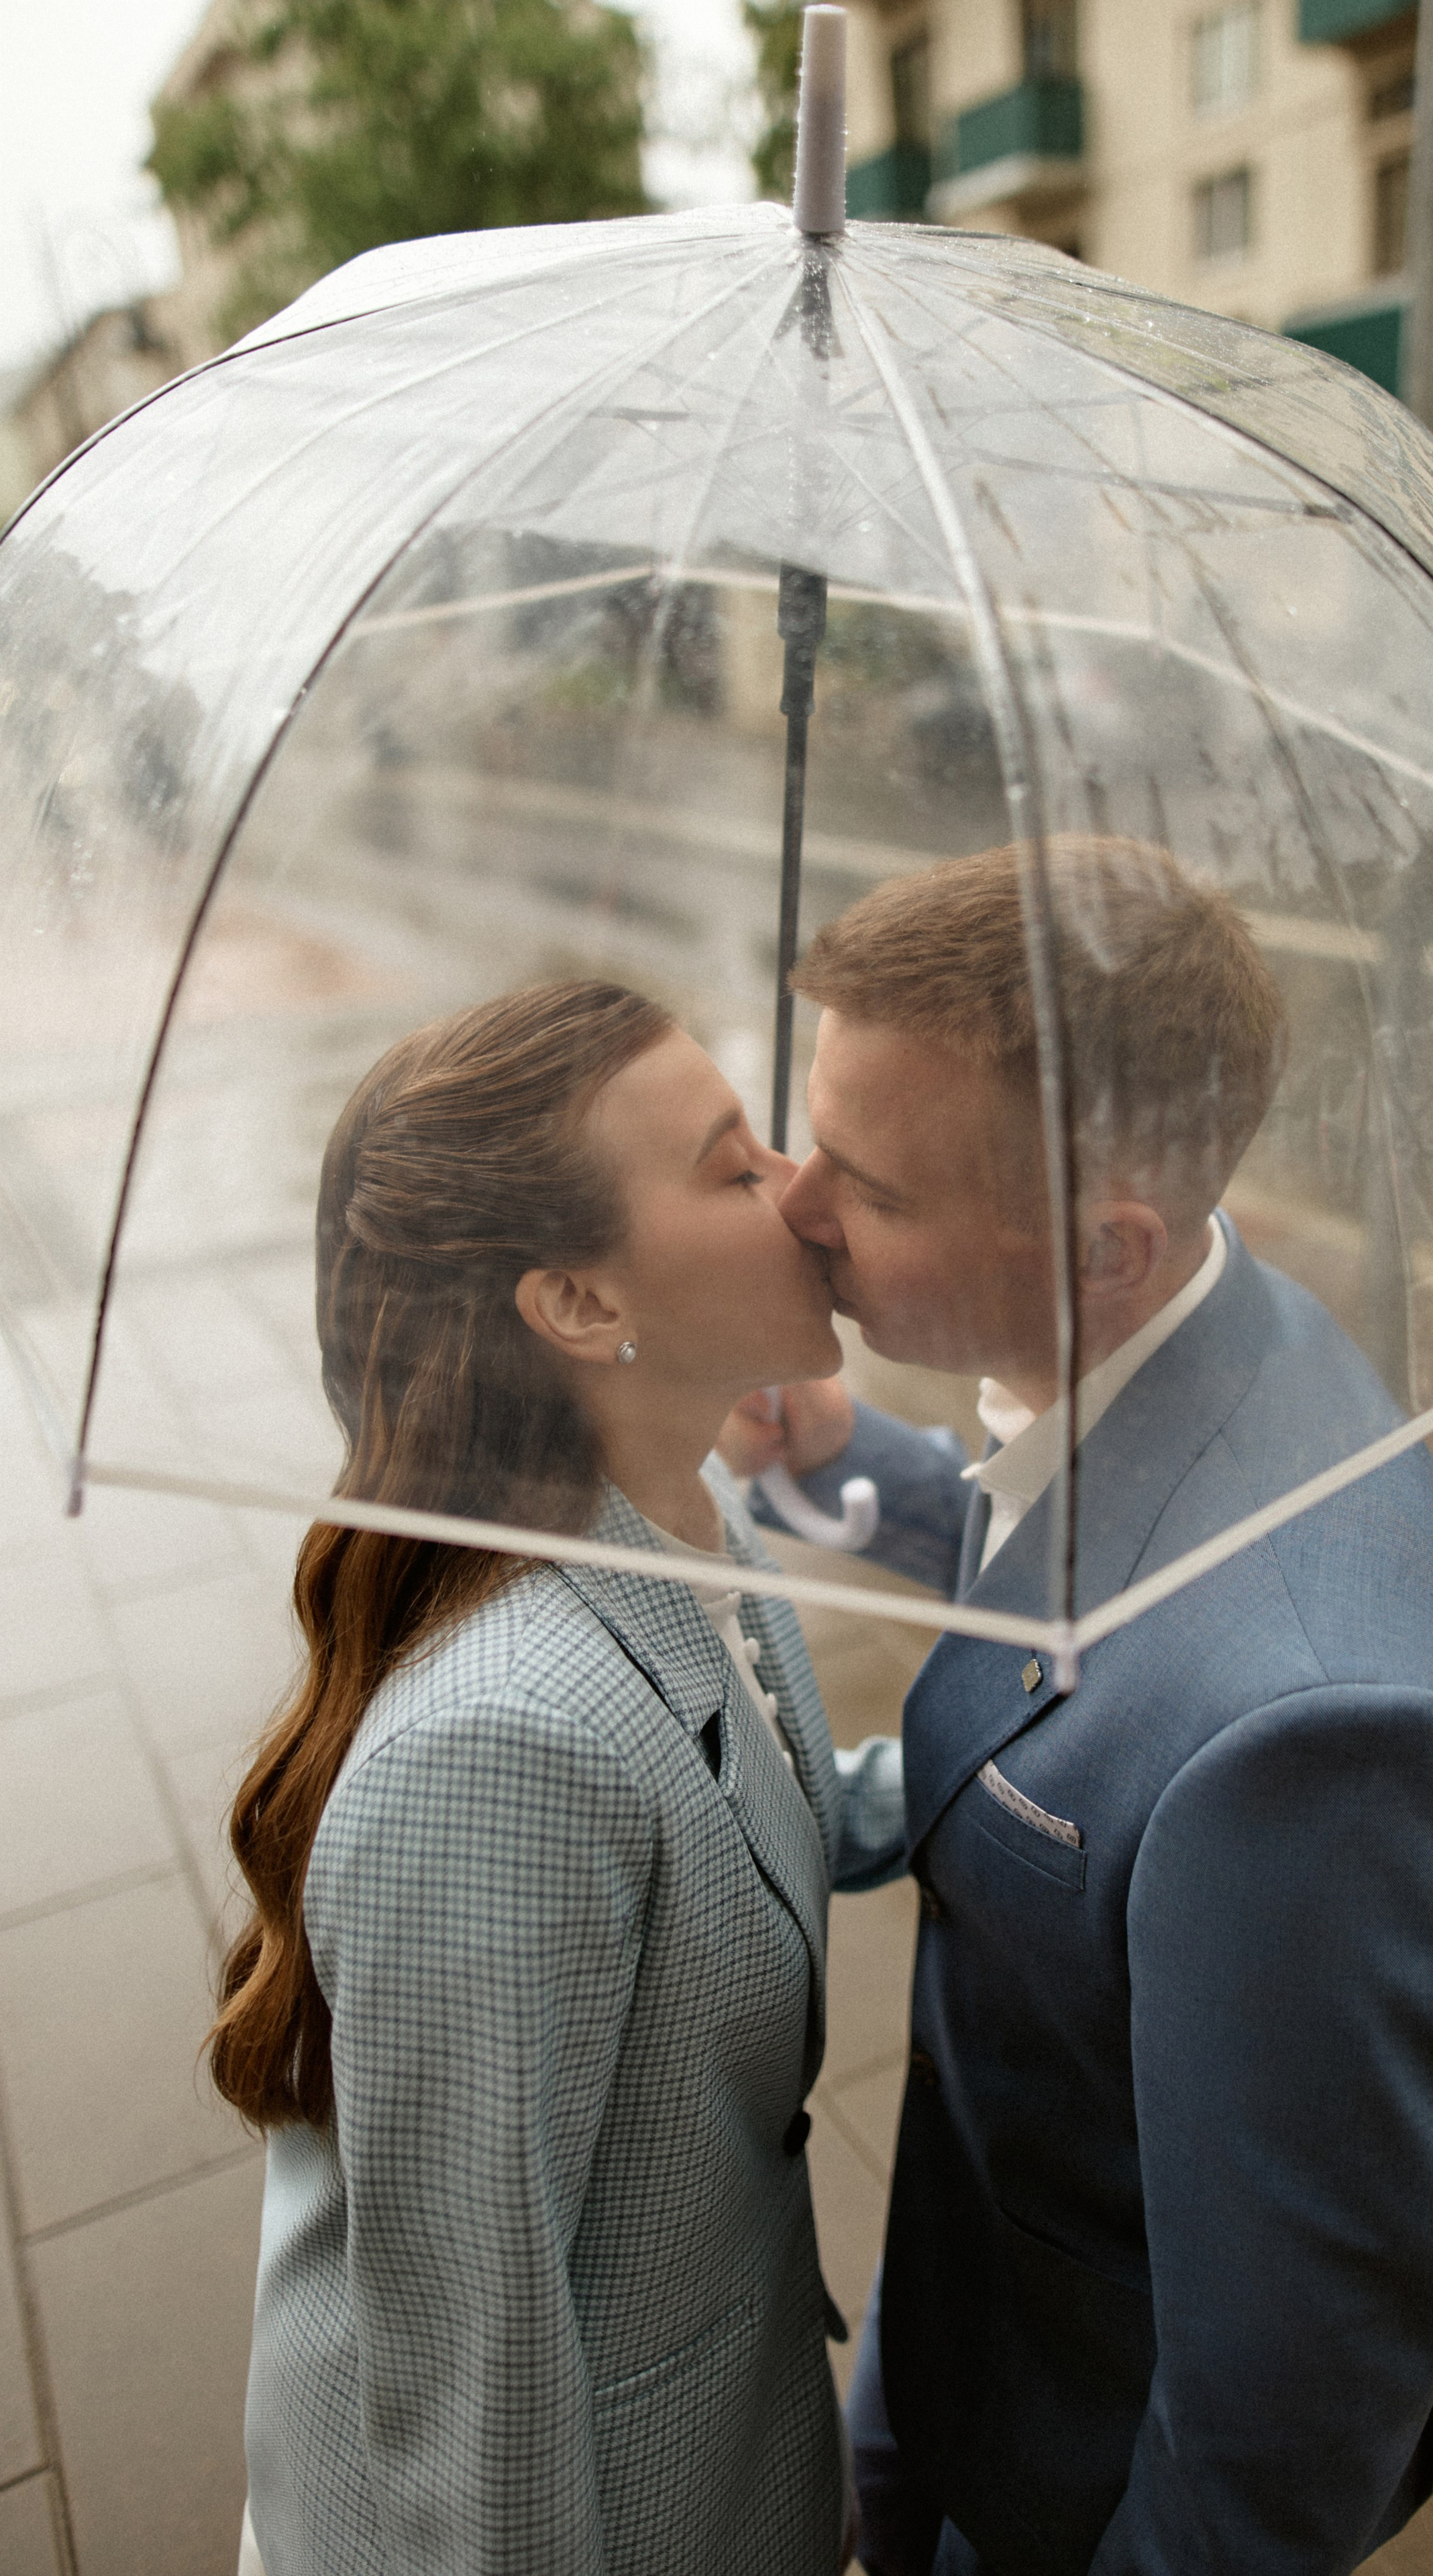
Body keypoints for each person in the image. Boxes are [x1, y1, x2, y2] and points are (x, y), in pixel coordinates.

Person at [723, 840, 1433, 2575]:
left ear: (1105, 1241)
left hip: (1084, 2456)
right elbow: (1080, 1528)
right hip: (971, 2314)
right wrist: (852, 1456)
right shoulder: (1190, 1329)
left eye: (865, 1183)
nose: (790, 1203)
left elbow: (1282, 2425)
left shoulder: (1316, 1755)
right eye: (808, 1132)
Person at [215, 978, 903, 2576]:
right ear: (581, 1309)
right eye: (733, 1171)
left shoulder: (673, 1523)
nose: (804, 1190)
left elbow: (752, 1789)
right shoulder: (507, 1749)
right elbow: (474, 2391)